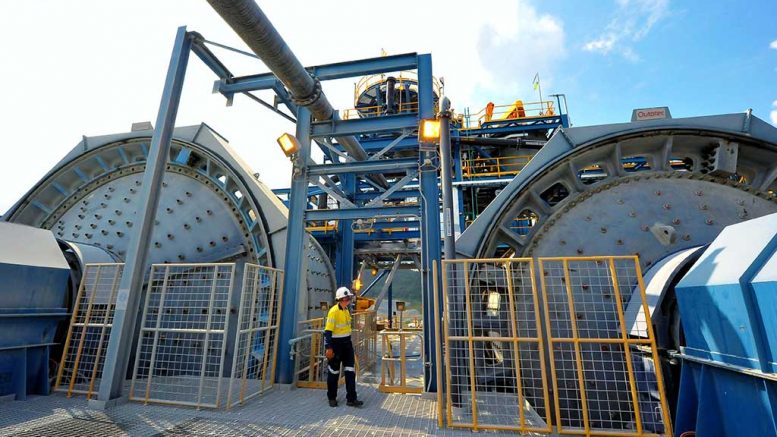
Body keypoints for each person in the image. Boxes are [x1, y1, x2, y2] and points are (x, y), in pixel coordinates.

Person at [324, 287, 363, 407]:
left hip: (347, 345)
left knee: (350, 372)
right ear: (340, 299)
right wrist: (328, 348)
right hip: (336, 345)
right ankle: (332, 397)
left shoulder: (346, 310)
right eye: (346, 298)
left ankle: (351, 398)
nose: (348, 300)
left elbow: (346, 326)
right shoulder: (333, 311)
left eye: (349, 298)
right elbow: (328, 331)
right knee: (334, 373)